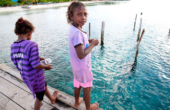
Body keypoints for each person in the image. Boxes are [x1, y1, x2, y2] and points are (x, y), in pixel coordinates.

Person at [11, 17, 59, 110]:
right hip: (36, 78)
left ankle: (52, 99)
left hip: (26, 77)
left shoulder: (13, 46)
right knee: (39, 97)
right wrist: (45, 67)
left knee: (44, 86)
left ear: (16, 32)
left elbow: (18, 59)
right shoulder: (32, 44)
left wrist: (36, 58)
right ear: (29, 33)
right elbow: (35, 65)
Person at [67, 2, 99, 110]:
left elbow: (78, 43)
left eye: (85, 14)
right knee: (87, 88)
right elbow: (81, 54)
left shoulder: (74, 29)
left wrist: (88, 41)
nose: (83, 17)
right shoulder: (77, 33)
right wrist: (93, 45)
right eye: (79, 14)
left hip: (76, 67)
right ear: (71, 16)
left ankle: (76, 102)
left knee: (78, 84)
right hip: (83, 67)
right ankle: (88, 108)